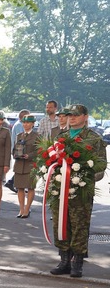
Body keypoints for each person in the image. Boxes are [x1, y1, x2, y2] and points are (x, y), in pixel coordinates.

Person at [49, 104, 107, 278]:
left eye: (75, 115)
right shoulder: (61, 137)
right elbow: (52, 161)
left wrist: (83, 179)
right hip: (60, 189)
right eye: (69, 115)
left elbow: (101, 165)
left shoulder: (93, 138)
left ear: (85, 116)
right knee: (61, 223)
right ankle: (64, 260)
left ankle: (78, 262)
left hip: (81, 191)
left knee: (80, 225)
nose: (71, 118)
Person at [11, 115, 39, 219]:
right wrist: (14, 154)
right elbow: (15, 148)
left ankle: (27, 208)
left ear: (32, 124)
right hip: (19, 164)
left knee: (31, 187)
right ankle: (21, 209)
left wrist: (29, 155)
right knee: (20, 188)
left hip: (30, 165)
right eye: (24, 122)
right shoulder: (19, 135)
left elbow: (39, 151)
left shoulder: (37, 136)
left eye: (28, 123)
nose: (25, 124)